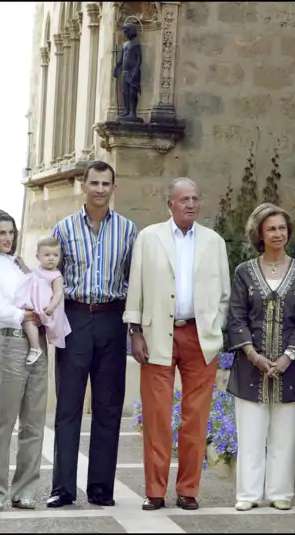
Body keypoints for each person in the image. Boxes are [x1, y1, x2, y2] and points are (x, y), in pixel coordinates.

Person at [125, 177, 230, 511]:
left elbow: (224, 294)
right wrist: (135, 331)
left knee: (195, 418)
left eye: (195, 198)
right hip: (157, 334)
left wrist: (214, 325)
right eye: (184, 199)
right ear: (170, 203)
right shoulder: (149, 237)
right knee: (157, 417)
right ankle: (154, 491)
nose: (191, 204)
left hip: (199, 336)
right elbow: (136, 285)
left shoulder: (213, 241)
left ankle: (188, 490)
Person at [48, 161, 138, 508]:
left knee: (108, 406)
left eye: (106, 183)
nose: (100, 189)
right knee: (68, 405)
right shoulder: (64, 228)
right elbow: (52, 275)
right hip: (74, 316)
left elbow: (135, 277)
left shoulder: (129, 230)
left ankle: (101, 488)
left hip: (112, 319)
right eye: (94, 182)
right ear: (83, 186)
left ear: (113, 187)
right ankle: (63, 488)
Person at [226, 203, 295, 512]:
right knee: (250, 433)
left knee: (284, 436)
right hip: (251, 367)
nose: (278, 234)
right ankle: (248, 495)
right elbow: (236, 317)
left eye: (282, 228)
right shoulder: (244, 271)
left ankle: (280, 494)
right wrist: (253, 355)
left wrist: (289, 356)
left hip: (290, 366)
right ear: (259, 234)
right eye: (271, 229)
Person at [0, 209, 48, 510]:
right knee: (4, 422)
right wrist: (26, 315)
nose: (7, 238)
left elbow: (39, 292)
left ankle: (25, 490)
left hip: (38, 341)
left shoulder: (18, 265)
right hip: (13, 344)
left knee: (34, 422)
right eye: (1, 232)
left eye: (11, 232)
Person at [13, 236, 71, 364]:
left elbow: (58, 293)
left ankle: (35, 348)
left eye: (55, 255)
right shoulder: (38, 270)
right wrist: (22, 265)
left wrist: (51, 307)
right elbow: (29, 276)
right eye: (47, 255)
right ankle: (35, 347)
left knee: (30, 322)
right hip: (35, 305)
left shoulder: (56, 275)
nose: (51, 258)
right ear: (38, 257)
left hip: (46, 308)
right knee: (28, 322)